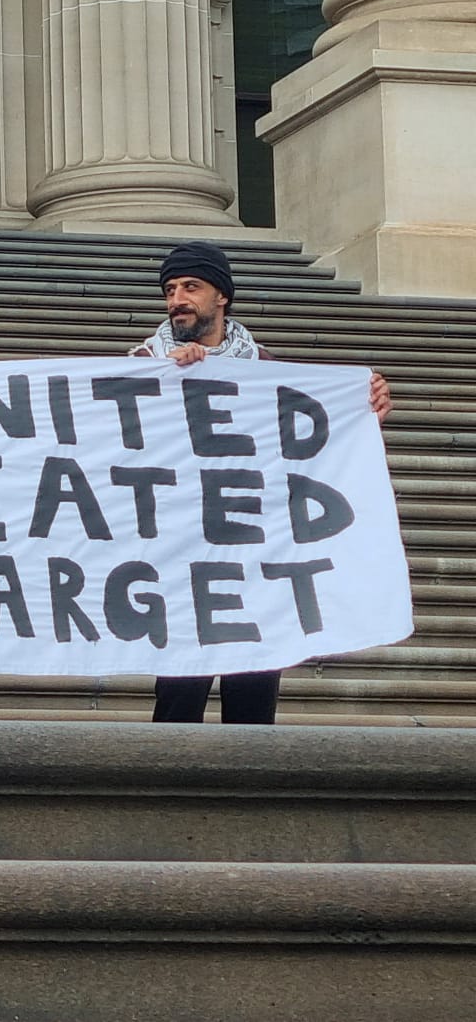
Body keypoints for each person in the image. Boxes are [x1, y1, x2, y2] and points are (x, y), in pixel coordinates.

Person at [134, 241, 392, 724]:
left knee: (253, 709)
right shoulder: (141, 365)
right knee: (176, 704)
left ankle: (249, 800)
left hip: (255, 563)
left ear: (222, 298)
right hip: (181, 562)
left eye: (191, 287)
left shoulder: (267, 370)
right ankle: (169, 800)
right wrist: (165, 378)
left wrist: (364, 400)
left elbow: (318, 436)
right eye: (170, 290)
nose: (177, 300)